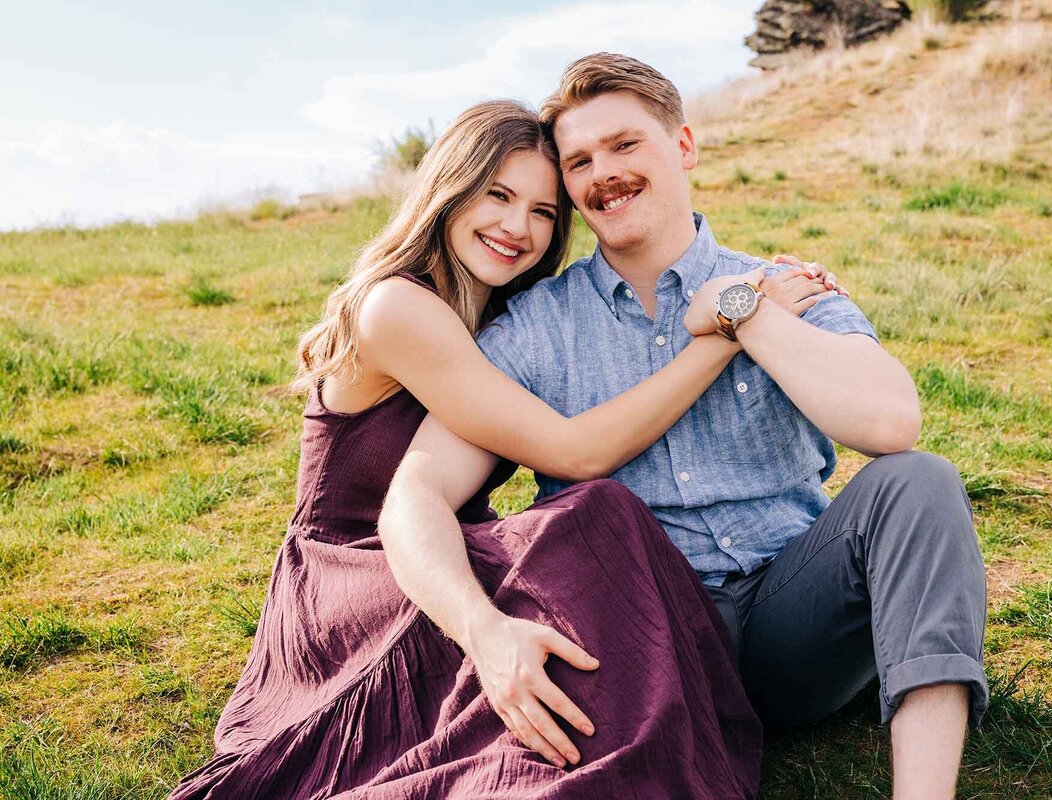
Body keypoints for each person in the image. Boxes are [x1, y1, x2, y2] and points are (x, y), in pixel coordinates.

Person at [170, 99, 837, 799]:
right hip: (362, 574)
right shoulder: (398, 306)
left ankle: (636, 740)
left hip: (444, 542)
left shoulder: (495, 311)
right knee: (595, 517)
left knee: (592, 540)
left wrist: (760, 296)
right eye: (497, 196)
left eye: (544, 212)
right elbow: (576, 452)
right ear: (449, 188)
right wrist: (726, 332)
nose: (518, 228)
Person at [381, 54, 989, 800]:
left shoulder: (780, 288)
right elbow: (415, 493)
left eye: (625, 144)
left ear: (685, 147)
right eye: (580, 161)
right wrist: (482, 630)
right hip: (637, 645)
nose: (603, 171)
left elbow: (891, 421)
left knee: (920, 482)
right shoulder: (537, 328)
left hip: (790, 621)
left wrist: (746, 311)